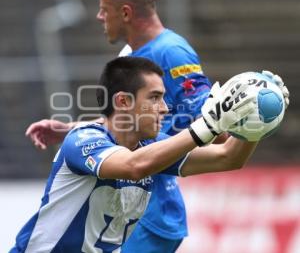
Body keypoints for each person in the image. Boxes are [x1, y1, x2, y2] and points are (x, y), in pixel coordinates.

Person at [24, 0, 289, 252]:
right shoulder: (132, 56)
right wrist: (71, 128)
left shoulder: (171, 52)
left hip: (148, 210)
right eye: (156, 98)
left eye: (104, 10)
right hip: (125, 199)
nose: (100, 17)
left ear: (125, 12)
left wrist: (254, 117)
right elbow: (123, 123)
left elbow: (218, 134)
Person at [11, 56, 265, 252]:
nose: (164, 109)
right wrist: (207, 126)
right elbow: (134, 166)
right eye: (154, 98)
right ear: (123, 102)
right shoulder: (84, 140)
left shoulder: (148, 147)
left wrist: (256, 122)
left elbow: (228, 157)